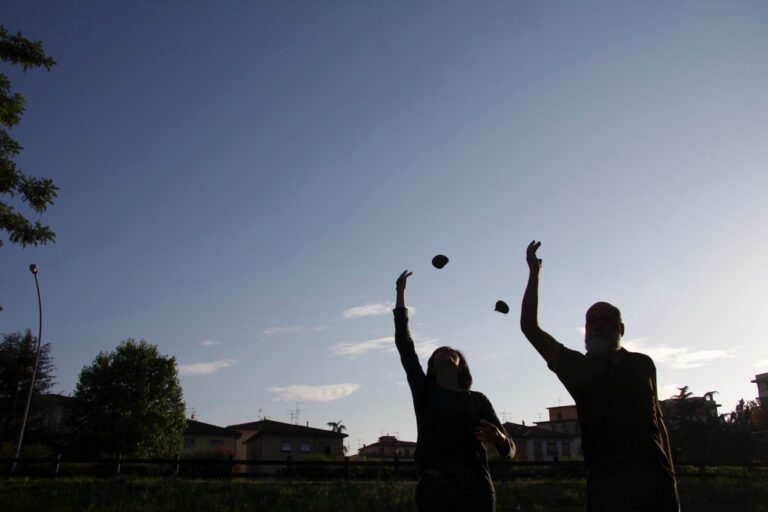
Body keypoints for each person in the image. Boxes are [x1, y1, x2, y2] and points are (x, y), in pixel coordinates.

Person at [520, 241, 680, 511]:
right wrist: (534, 274)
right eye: (590, 321)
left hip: (658, 487)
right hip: (608, 491)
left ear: (621, 328)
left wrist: (672, 479)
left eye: (604, 320)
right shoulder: (577, 368)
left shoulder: (643, 364)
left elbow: (658, 423)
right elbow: (530, 327)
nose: (596, 326)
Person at [394, 270, 515, 512]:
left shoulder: (478, 401)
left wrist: (500, 438)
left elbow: (509, 449)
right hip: (434, 489)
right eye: (440, 351)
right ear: (431, 366)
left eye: (453, 352)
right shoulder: (424, 391)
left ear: (461, 365)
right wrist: (400, 294)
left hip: (477, 491)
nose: (447, 352)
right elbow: (405, 346)